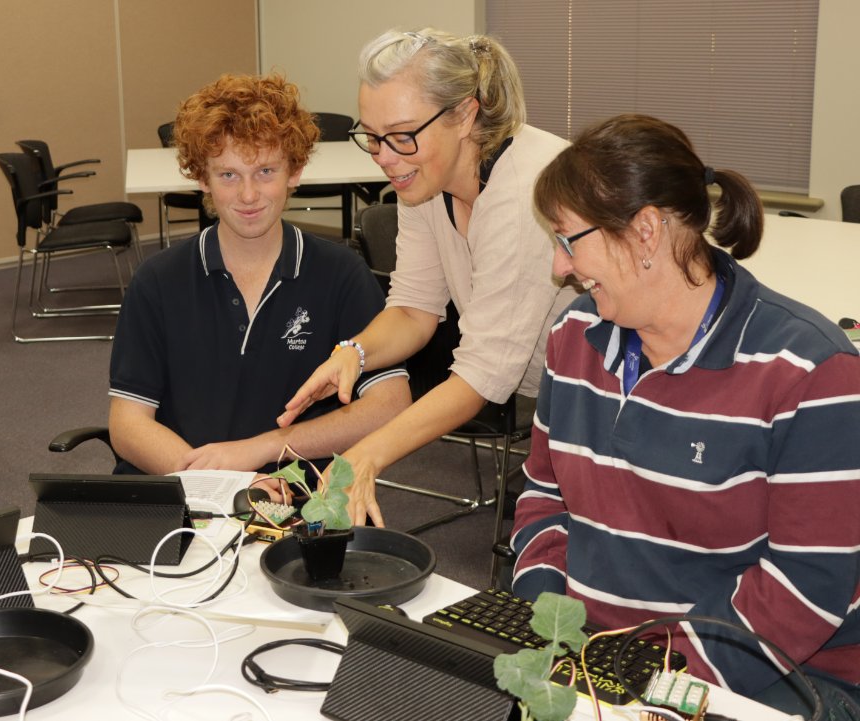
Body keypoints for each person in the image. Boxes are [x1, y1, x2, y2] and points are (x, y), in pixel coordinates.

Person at [510, 114, 860, 716]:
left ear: (646, 231)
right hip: (602, 660)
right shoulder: (573, 340)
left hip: (778, 677)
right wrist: (550, 622)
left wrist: (652, 683)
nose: (559, 268)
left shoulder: (811, 371)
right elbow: (544, 499)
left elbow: (805, 589)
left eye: (569, 240)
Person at [279, 28, 576, 525]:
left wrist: (366, 454)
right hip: (553, 387)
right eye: (372, 137)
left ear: (464, 114)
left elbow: (481, 376)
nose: (385, 157)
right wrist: (351, 352)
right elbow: (415, 309)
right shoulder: (423, 177)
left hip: (628, 390)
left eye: (401, 135)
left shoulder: (524, 195)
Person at [108, 73, 411, 478]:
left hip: (299, 499)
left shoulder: (341, 274)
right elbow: (128, 425)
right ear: (202, 179)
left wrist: (265, 451)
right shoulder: (158, 281)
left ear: (295, 172)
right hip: (185, 494)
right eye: (228, 175)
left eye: (266, 171)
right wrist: (220, 486)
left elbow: (390, 403)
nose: (248, 195)